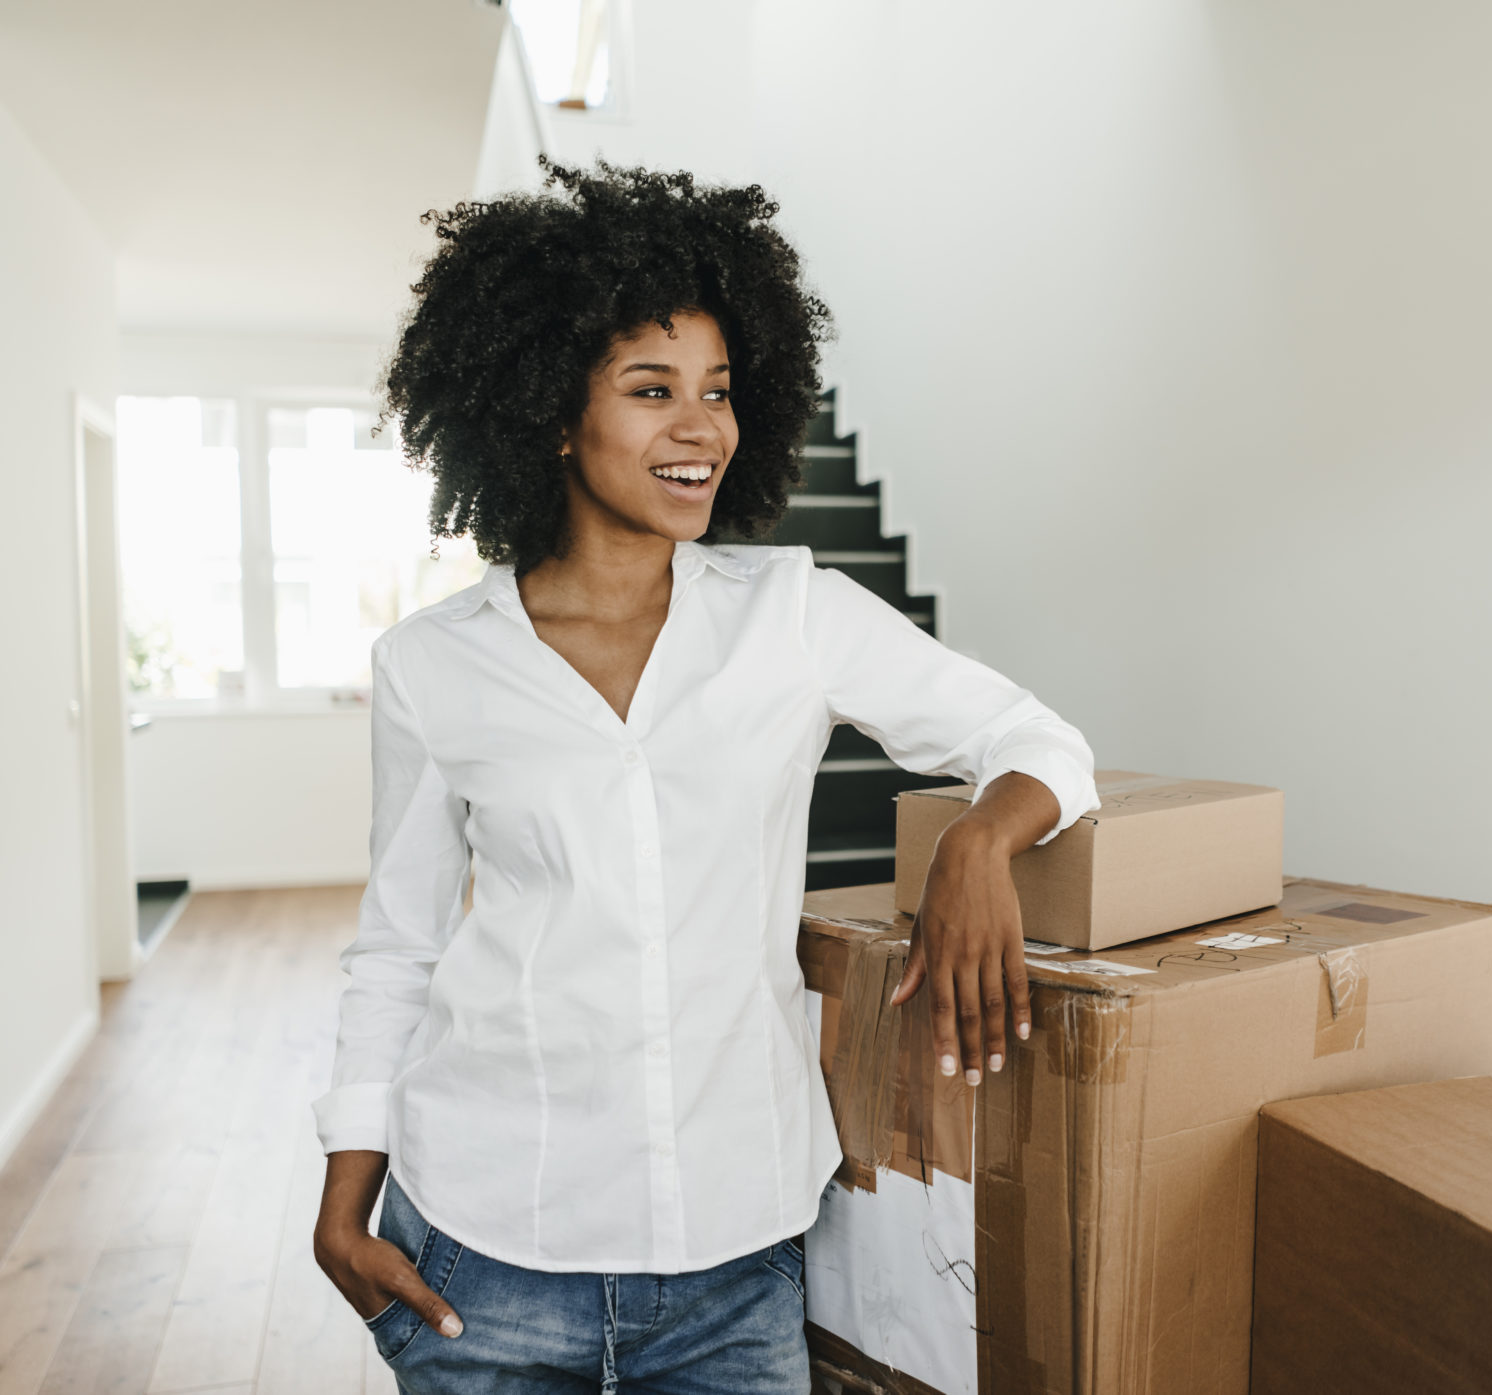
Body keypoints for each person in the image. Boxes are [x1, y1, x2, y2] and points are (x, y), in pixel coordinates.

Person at [308, 161, 1099, 1394]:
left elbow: (1040, 741)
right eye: (650, 390)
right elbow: (399, 946)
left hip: (737, 1263)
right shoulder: (430, 668)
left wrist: (979, 843)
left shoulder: (793, 614)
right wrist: (343, 1199)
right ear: (552, 414)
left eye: (720, 393)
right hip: (487, 1258)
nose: (702, 430)